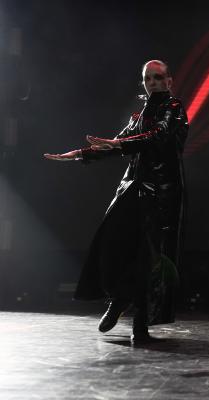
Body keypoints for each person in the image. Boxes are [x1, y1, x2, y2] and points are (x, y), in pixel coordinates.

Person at [44, 60, 188, 343]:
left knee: (148, 257)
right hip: (132, 187)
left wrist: (120, 144)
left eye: (158, 77)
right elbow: (114, 144)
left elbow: (158, 136)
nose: (153, 82)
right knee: (113, 243)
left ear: (169, 81)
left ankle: (140, 325)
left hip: (161, 191)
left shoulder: (174, 108)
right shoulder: (138, 115)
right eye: (148, 78)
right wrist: (80, 154)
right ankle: (120, 298)